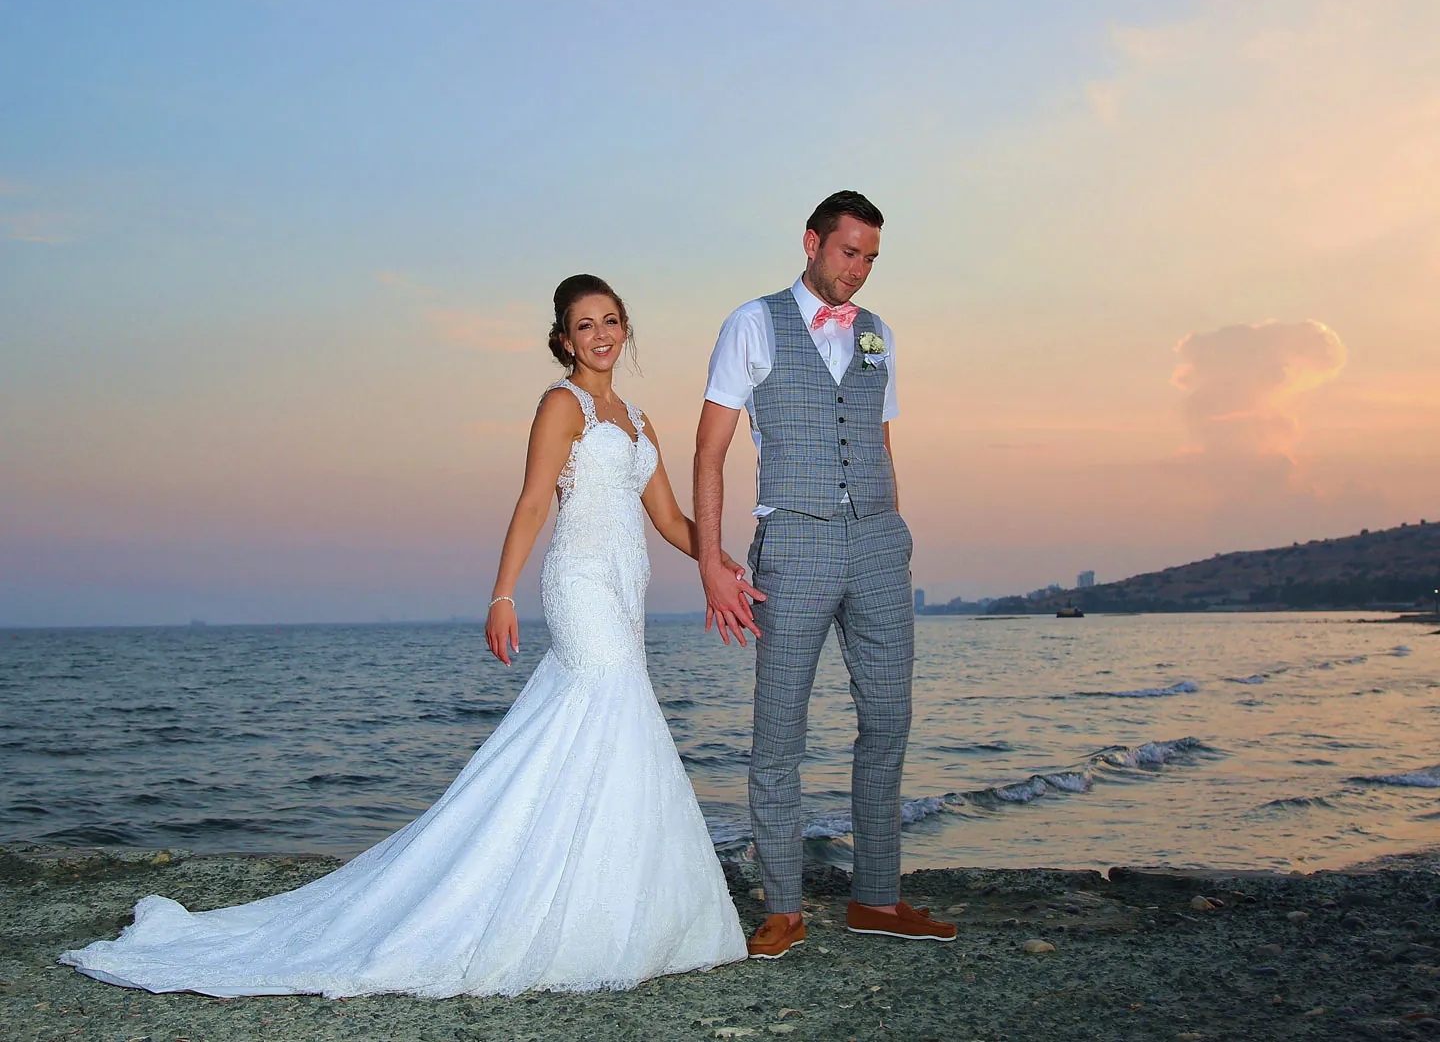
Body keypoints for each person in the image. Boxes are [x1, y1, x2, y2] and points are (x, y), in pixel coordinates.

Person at [60, 274, 748, 997]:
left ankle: (609, 901)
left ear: (625, 327)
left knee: (605, 723)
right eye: (585, 325)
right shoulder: (560, 405)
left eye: (611, 321)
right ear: (562, 338)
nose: (601, 334)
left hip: (627, 586)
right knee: (609, 703)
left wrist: (721, 561)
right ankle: (564, 908)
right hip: (579, 583)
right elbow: (533, 501)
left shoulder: (638, 420)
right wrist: (503, 591)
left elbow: (670, 520)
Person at [694, 191, 957, 959]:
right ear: (811, 242)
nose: (860, 270)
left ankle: (876, 896)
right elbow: (710, 449)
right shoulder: (753, 322)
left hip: (878, 545)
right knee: (779, 735)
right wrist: (712, 559)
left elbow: (878, 438)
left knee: (888, 721)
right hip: (796, 544)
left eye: (872, 257)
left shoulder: (878, 334)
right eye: (849, 252)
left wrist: (895, 533)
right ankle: (783, 909)